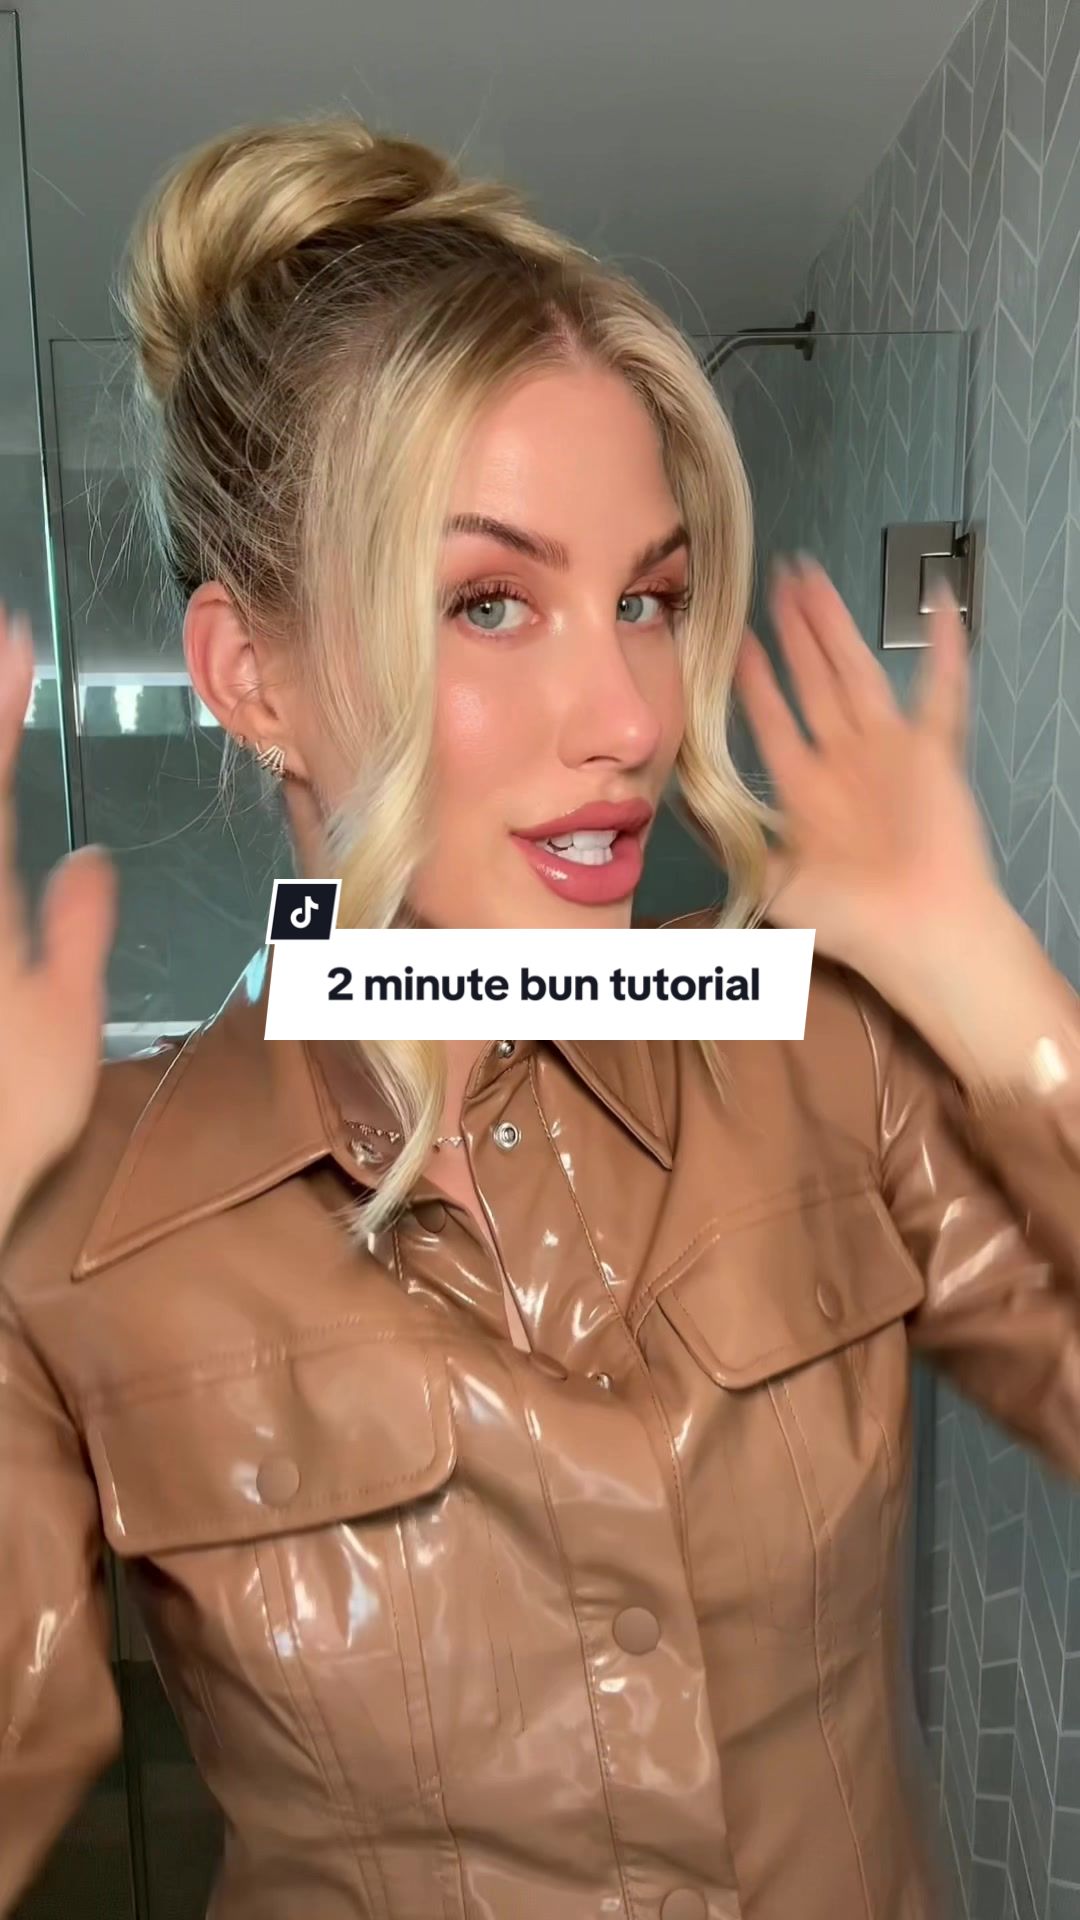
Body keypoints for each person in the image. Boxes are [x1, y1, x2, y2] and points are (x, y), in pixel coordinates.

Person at [1, 115, 1078, 1920]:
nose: (636, 715)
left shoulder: (825, 1054)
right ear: (251, 677)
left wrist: (990, 982)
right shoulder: (73, 1229)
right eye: (491, 602)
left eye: (650, 599)